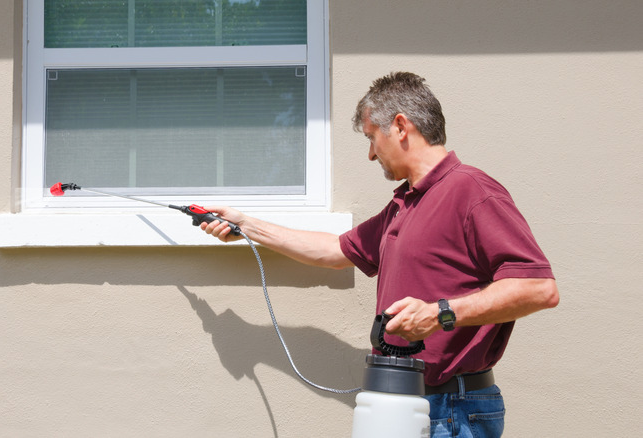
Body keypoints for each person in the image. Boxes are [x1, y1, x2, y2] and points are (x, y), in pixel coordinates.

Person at [200, 71, 559, 437]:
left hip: (453, 410)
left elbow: (538, 288)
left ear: (401, 126)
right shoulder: (405, 205)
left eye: (372, 137)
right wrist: (247, 225)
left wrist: (441, 313)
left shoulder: (470, 190)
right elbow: (333, 251)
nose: (371, 154)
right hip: (402, 404)